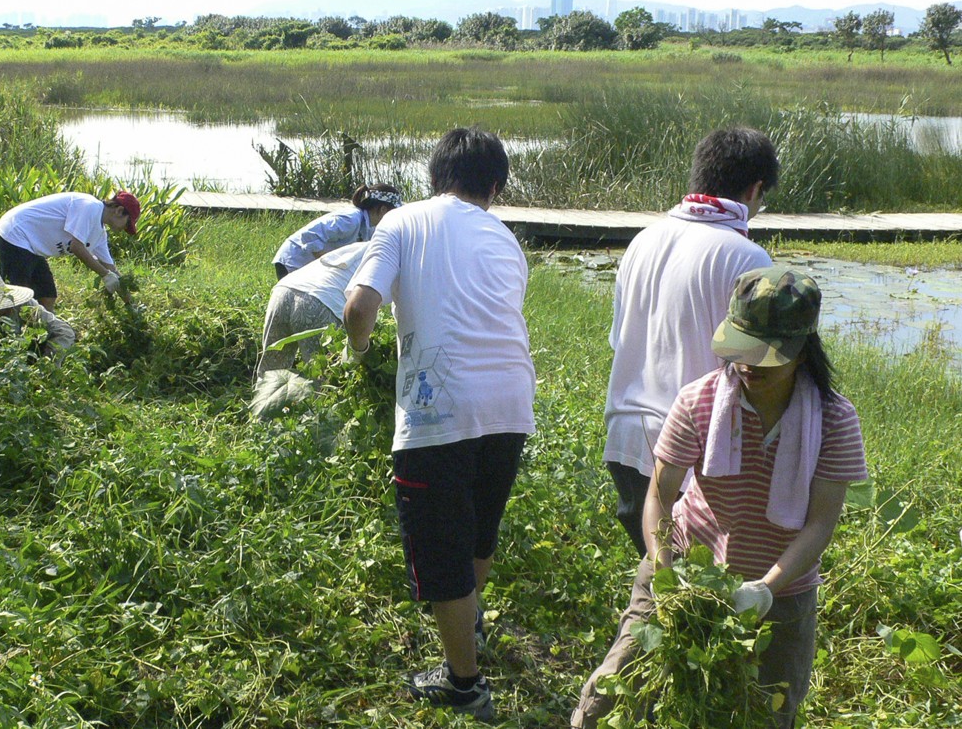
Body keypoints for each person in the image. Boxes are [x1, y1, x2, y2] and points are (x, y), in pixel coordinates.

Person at [572, 267, 867, 729]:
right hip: (688, 568)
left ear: (801, 351)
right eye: (741, 349)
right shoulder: (701, 401)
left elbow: (819, 524)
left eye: (764, 355)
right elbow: (659, 496)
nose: (747, 365)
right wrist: (665, 572)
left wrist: (765, 589)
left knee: (766, 709)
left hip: (782, 591)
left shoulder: (834, 419)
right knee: (616, 686)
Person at [343, 128, 536, 721]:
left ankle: (464, 685)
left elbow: (358, 306)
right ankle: (468, 631)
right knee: (477, 529)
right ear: (496, 187)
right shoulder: (507, 239)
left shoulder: (400, 223)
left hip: (440, 409)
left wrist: (359, 353)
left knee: (441, 550)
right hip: (511, 403)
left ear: (433, 177)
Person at [603, 127, 777, 557]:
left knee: (660, 575)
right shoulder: (746, 257)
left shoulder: (643, 240)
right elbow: (759, 367)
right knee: (694, 593)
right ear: (755, 189)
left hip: (625, 440)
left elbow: (618, 339)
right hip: (688, 453)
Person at [0, 191, 140, 312]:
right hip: (15, 234)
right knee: (17, 297)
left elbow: (111, 268)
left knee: (47, 296)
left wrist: (130, 303)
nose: (125, 230)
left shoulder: (99, 233)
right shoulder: (91, 206)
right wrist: (105, 275)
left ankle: (41, 342)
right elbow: (76, 247)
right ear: (119, 211)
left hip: (32, 246)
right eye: (127, 223)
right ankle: (4, 336)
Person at [257, 241, 367, 379]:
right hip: (319, 301)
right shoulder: (390, 255)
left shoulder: (363, 246)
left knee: (269, 375)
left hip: (284, 290)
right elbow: (364, 308)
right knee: (324, 379)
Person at [273, 183, 401, 279]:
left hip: (307, 265)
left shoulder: (370, 228)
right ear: (383, 210)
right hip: (294, 260)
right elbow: (309, 235)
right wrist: (330, 264)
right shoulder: (351, 219)